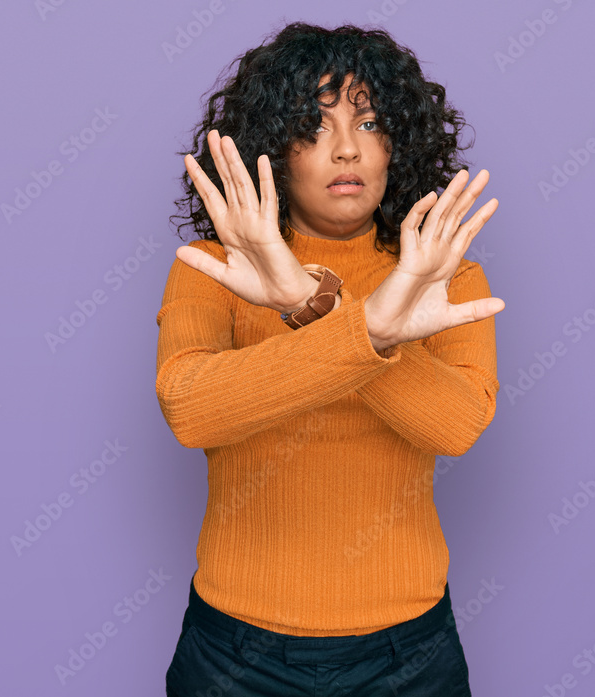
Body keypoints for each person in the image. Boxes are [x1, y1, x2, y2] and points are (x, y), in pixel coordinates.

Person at [157, 21, 504, 697]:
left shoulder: (446, 279)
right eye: (314, 126)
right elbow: (192, 408)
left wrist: (306, 303)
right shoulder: (213, 268)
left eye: (370, 122)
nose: (347, 148)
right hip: (235, 652)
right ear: (274, 149)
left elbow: (456, 425)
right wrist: (368, 327)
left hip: (408, 654)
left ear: (398, 141)